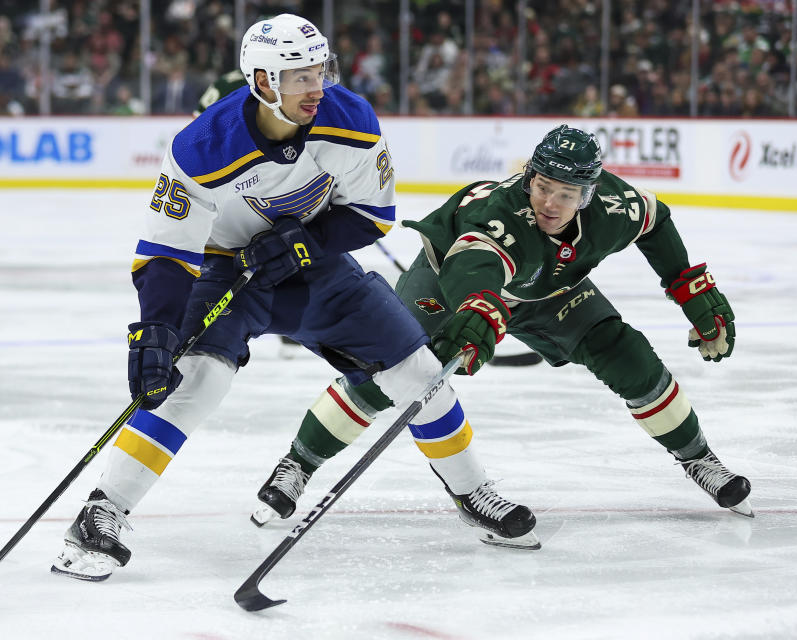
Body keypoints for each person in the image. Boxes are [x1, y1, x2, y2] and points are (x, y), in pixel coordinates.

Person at [51, 14, 537, 582]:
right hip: (226, 271)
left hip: (317, 271)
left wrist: (306, 243)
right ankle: (100, 512)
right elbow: (166, 250)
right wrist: (156, 329)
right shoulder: (202, 146)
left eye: (319, 71)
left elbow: (371, 215)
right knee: (194, 382)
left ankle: (473, 492)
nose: (316, 87)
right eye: (299, 76)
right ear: (261, 81)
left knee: (421, 373)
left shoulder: (350, 119)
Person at [253, 124, 752, 531]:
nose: (550, 203)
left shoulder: (616, 208)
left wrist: (692, 291)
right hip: (452, 277)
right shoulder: (503, 216)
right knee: (390, 369)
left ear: (590, 193)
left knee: (627, 355)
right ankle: (298, 465)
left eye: (566, 193)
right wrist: (477, 312)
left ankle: (699, 458)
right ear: (529, 177)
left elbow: (657, 221)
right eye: (542, 187)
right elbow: (475, 266)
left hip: (547, 289)